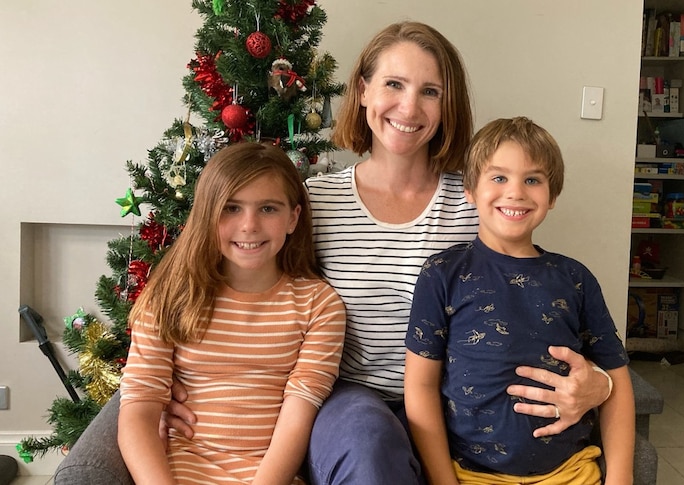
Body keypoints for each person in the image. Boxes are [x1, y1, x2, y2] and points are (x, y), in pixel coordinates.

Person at [54, 21, 613, 485]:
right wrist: (185, 377)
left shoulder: (481, 200)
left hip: (461, 399)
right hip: (351, 397)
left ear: (448, 105)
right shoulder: (311, 201)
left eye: (430, 91)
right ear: (363, 90)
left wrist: (601, 384)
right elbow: (244, 283)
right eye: (393, 84)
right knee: (368, 445)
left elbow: (540, 304)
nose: (409, 106)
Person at [404, 117, 634, 485]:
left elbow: (617, 380)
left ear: (552, 195)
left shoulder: (575, 279)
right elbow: (419, 386)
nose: (516, 192)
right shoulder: (442, 274)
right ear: (470, 189)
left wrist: (621, 479)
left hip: (569, 473)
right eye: (498, 178)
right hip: (471, 475)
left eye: (533, 179)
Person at [117, 142, 346, 484]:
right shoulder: (170, 295)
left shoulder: (319, 305)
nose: (249, 225)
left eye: (268, 208)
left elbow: (299, 412)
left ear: (293, 218)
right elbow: (139, 409)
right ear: (208, 212)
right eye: (232, 208)